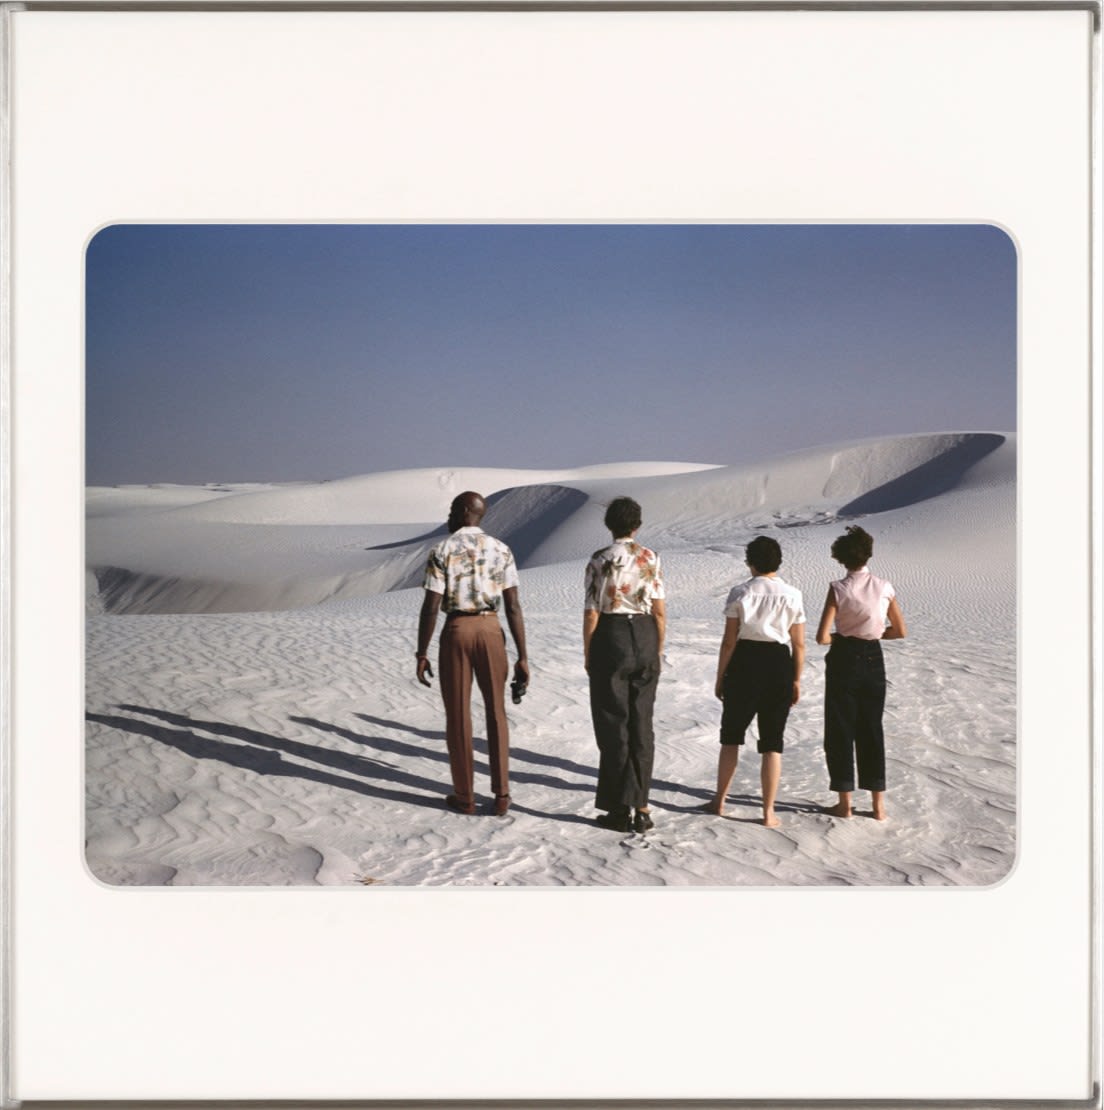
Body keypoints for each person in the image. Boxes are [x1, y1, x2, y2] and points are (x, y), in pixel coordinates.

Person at [416, 491, 529, 817]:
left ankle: (464, 796)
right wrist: (523, 655)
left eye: (453, 509)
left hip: (457, 631)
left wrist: (421, 651)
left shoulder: (442, 550)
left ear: (465, 511)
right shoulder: (501, 549)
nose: (449, 515)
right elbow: (513, 605)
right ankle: (502, 795)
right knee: (496, 711)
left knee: (458, 715)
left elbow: (431, 606)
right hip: (491, 630)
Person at [707, 535, 805, 828]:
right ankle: (768, 812)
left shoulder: (740, 592)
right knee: (772, 742)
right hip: (779, 663)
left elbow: (728, 641)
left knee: (731, 736)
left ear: (750, 562)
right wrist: (796, 679)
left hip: (744, 662)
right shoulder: (793, 594)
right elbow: (799, 644)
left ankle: (720, 801)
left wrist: (720, 676)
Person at [583, 497, 666, 833]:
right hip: (645, 634)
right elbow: (659, 608)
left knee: (613, 723)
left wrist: (588, 652)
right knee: (642, 723)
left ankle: (619, 809)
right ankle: (643, 807)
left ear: (609, 524)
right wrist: (657, 648)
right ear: (637, 523)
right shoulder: (651, 557)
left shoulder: (600, 559)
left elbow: (592, 611)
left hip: (611, 636)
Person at [815, 525, 907, 821]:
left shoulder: (838, 588)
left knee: (841, 728)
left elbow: (822, 637)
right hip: (873, 658)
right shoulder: (885, 587)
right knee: (871, 728)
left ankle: (845, 803)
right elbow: (900, 630)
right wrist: (877, 632)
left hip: (844, 657)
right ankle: (878, 806)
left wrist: (840, 635)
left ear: (842, 558)